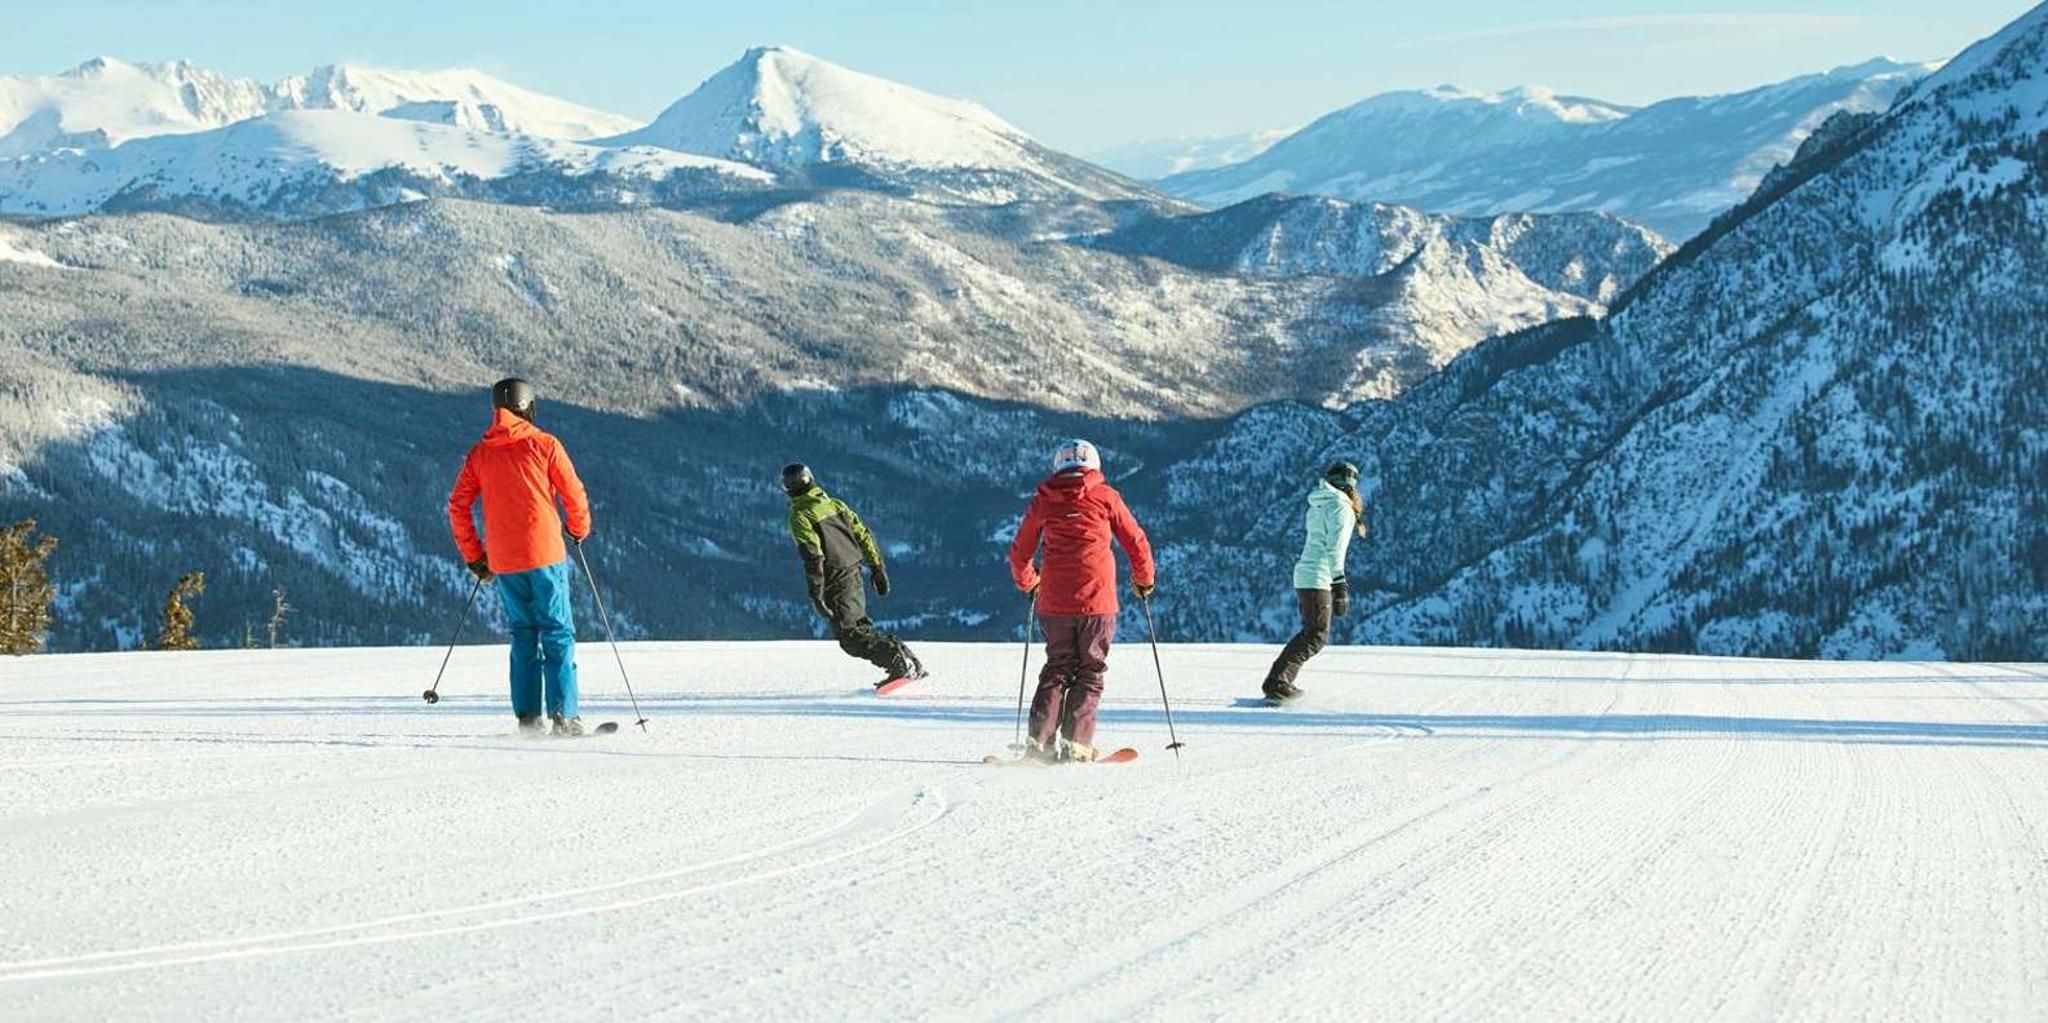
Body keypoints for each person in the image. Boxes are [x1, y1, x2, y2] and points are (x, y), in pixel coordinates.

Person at [447, 378, 593, 736]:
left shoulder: (480, 454)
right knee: (557, 631)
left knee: (523, 633)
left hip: (503, 561)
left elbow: (457, 506)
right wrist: (579, 528)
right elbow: (573, 492)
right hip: (544, 555)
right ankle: (564, 717)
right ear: (528, 406)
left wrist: (475, 556)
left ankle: (528, 719)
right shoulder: (545, 445)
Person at [1007, 439, 1155, 763]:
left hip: (1053, 603)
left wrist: (1030, 582)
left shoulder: (1043, 501)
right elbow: (1136, 542)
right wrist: (1144, 580)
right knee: (1090, 671)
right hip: (1098, 603)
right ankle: (1076, 744)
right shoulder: (1106, 496)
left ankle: (1039, 743)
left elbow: (1020, 552)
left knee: (1057, 668)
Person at [782, 463, 925, 687]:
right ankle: (906, 659)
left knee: (850, 636)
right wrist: (877, 568)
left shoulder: (800, 517)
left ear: (787, 488)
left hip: (835, 579)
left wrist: (816, 593)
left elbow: (813, 557)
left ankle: (898, 663)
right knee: (859, 627)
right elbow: (863, 534)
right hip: (854, 572)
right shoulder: (836, 505)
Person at [1262, 460, 1366, 703]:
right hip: (1319, 575)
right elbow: (1334, 550)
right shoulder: (1341, 509)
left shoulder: (1320, 503)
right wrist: (1340, 586)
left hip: (1306, 573)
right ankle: (1277, 681)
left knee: (1312, 632)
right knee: (1316, 635)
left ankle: (1281, 680)